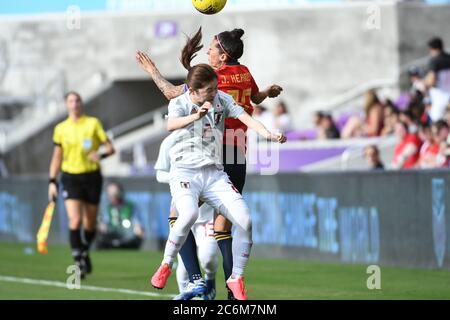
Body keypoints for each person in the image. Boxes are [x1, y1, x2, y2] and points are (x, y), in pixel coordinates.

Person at [137, 27, 283, 299]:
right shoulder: (245, 73)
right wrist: (267, 92)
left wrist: (153, 71)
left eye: (213, 48)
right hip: (238, 152)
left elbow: (173, 94)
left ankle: (194, 279)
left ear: (223, 55)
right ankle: (231, 291)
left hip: (213, 150)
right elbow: (255, 98)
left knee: (177, 216)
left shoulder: (216, 82)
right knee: (224, 226)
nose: (209, 51)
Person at [48, 91, 115, 278]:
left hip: (92, 177)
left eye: (77, 100)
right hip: (70, 177)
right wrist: (52, 181)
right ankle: (78, 260)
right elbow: (56, 157)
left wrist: (100, 155)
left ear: (81, 103)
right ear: (66, 105)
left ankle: (84, 251)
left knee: (90, 223)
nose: (75, 103)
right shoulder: (61, 128)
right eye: (71, 100)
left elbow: (110, 148)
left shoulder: (92, 123)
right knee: (75, 220)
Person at [154, 132, 218, 300]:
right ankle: (188, 296)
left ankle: (210, 280)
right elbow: (160, 174)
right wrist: (182, 179)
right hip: (182, 209)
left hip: (206, 214)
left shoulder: (210, 139)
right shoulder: (169, 142)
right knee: (184, 266)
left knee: (208, 257)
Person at [96, 181, 144, 249]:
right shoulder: (106, 207)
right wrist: (101, 226)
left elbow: (137, 222)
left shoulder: (130, 207)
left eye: (115, 193)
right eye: (110, 194)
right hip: (109, 238)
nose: (113, 196)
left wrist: (138, 228)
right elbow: (103, 223)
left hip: (128, 238)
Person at [425, 37, 450, 122]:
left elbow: (432, 80)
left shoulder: (434, 61)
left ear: (433, 49)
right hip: (448, 95)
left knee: (436, 121)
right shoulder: (448, 58)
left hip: (439, 96)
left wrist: (424, 83)